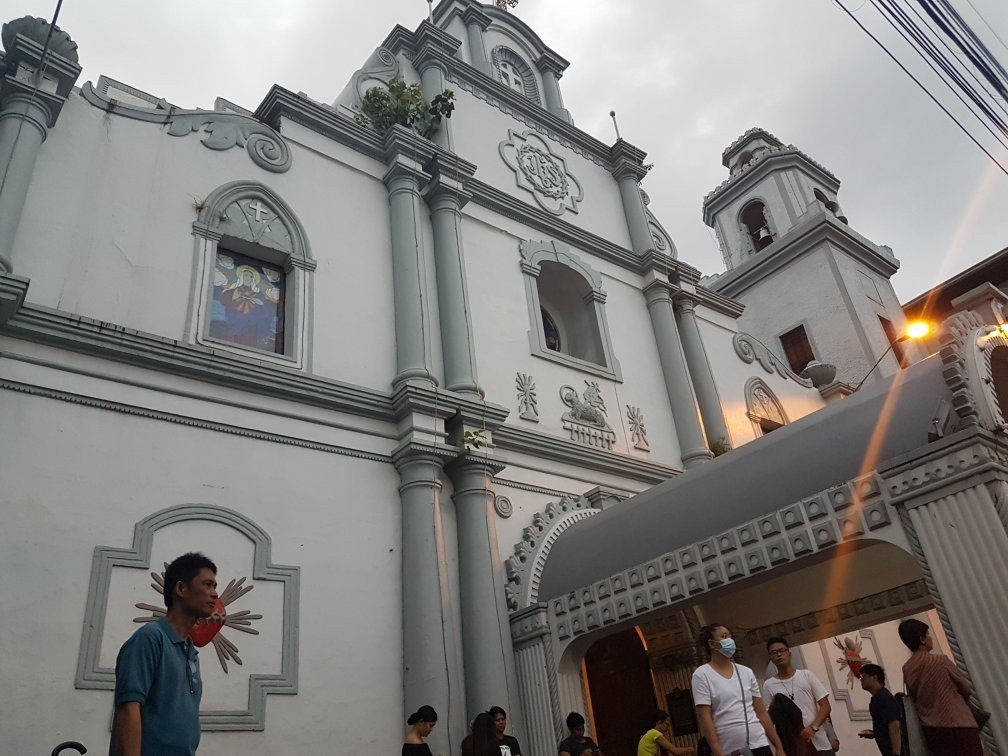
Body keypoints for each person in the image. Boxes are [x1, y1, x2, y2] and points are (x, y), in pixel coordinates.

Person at [110, 552, 218, 756]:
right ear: (181, 589)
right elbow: (128, 709)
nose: (214, 594)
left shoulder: (191, 653)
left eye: (215, 586)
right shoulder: (150, 639)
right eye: (207, 585)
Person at [691, 624, 785, 756]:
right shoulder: (702, 674)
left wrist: (778, 746)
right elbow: (704, 716)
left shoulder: (746, 672)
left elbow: (761, 712)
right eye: (724, 637)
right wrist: (717, 751)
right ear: (712, 644)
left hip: (758, 743)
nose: (729, 640)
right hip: (729, 748)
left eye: (730, 636)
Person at [898, 618, 982, 756]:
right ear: (922, 639)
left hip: (932, 731)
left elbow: (914, 697)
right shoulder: (940, 660)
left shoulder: (907, 668)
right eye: (928, 634)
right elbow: (966, 688)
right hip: (959, 724)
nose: (930, 638)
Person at [762, 637, 834, 755]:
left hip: (820, 745)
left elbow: (825, 706)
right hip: (795, 748)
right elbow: (768, 721)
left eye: (782, 650)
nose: (779, 654)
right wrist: (779, 748)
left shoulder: (807, 675)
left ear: (789, 654)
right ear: (771, 658)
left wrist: (813, 728)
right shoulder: (768, 685)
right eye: (774, 653)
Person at [857, 664, 901, 756]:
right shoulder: (877, 699)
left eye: (864, 676)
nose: (861, 680)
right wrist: (875, 733)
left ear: (874, 677)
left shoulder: (884, 698)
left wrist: (896, 754)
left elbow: (894, 726)